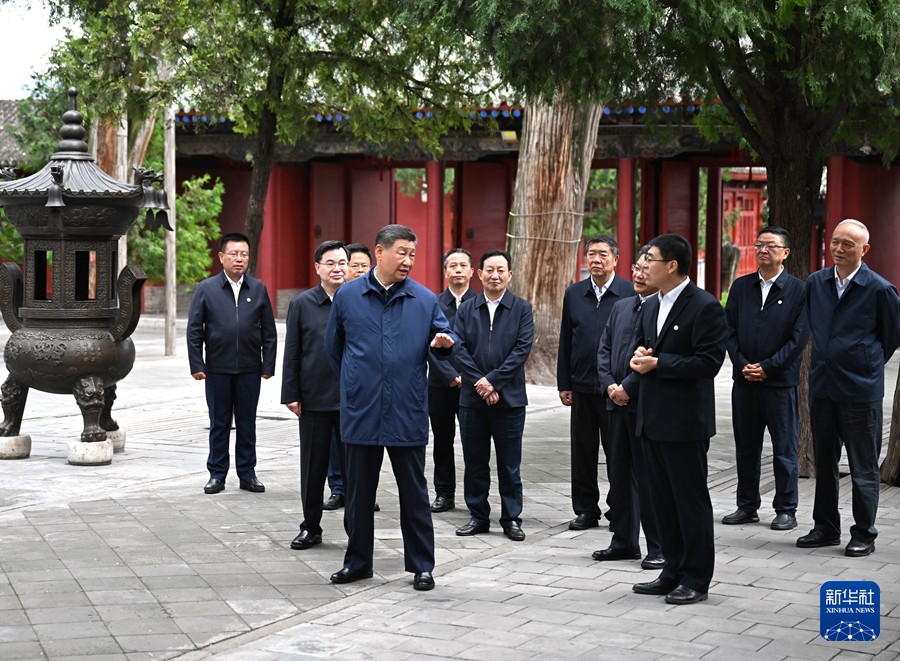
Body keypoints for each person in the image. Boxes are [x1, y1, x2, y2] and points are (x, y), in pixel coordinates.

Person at [325, 224, 455, 591]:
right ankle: (357, 563)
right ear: (379, 252)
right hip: (361, 409)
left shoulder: (424, 299)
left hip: (406, 409)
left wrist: (445, 343)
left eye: (413, 254)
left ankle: (422, 566)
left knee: (414, 493)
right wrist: (356, 381)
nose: (408, 261)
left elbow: (446, 337)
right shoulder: (348, 296)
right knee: (358, 495)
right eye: (402, 253)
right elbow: (334, 348)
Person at [629, 233, 726, 605]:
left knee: (690, 502)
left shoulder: (704, 306)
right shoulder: (652, 304)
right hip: (651, 418)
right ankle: (672, 569)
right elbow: (647, 348)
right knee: (661, 501)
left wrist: (659, 363)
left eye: (649, 259)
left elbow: (708, 363)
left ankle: (696, 578)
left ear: (671, 265)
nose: (643, 266)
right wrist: (642, 357)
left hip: (685, 423)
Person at [798, 219, 900, 557]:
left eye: (848, 244)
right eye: (835, 242)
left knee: (862, 466)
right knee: (825, 462)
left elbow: (891, 336)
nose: (839, 249)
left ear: (864, 249)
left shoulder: (880, 289)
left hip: (860, 390)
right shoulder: (817, 282)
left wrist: (864, 361)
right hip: (823, 386)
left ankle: (864, 533)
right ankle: (826, 527)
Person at [722, 227, 809, 531]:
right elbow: (728, 331)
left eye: (771, 245)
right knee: (746, 448)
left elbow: (798, 339)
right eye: (759, 244)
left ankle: (786, 508)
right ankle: (747, 506)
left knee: (784, 449)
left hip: (779, 384)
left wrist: (769, 367)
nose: (763, 250)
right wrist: (742, 364)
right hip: (744, 381)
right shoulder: (741, 286)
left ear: (786, 253)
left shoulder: (798, 290)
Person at [452, 249, 534, 541]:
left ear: (509, 275)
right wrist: (481, 383)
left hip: (510, 400)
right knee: (475, 462)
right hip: (472, 400)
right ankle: (478, 516)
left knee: (510, 464)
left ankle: (511, 518)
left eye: (501, 270)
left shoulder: (521, 308)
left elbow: (521, 349)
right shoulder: (466, 309)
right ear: (479, 274)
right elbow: (458, 348)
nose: (495, 275)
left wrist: (494, 382)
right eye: (489, 270)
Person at [187, 232, 277, 495]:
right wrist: (197, 364)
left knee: (247, 423)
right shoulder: (207, 288)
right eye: (234, 254)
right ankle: (217, 474)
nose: (239, 259)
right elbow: (194, 330)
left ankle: (247, 474)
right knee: (219, 423)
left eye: (244, 254)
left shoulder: (258, 289)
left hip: (250, 369)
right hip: (217, 369)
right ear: (221, 257)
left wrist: (268, 365)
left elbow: (269, 331)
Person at [557, 236, 635, 530]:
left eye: (603, 254)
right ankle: (586, 509)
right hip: (581, 386)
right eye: (591, 254)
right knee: (583, 452)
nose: (596, 259)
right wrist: (564, 382)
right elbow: (566, 339)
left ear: (616, 259)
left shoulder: (629, 292)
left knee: (618, 452)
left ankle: (620, 509)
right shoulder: (574, 293)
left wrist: (627, 385)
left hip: (615, 388)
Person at [594, 248, 664, 569]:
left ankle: (658, 547)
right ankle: (623, 541)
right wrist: (610, 386)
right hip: (615, 404)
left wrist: (627, 388)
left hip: (645, 406)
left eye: (646, 270)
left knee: (649, 479)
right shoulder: (621, 306)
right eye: (636, 268)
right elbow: (604, 349)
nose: (638, 274)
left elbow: (654, 355)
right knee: (618, 474)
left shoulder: (663, 309)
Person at [281, 240, 349, 550]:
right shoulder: (302, 303)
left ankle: (356, 529)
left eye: (342, 262)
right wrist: (291, 393)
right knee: (313, 468)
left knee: (354, 469)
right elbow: (293, 351)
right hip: (313, 398)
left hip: (352, 400)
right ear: (318, 267)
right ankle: (311, 527)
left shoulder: (357, 301)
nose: (337, 268)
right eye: (330, 263)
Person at [323, 242, 373, 511]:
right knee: (335, 439)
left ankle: (363, 491)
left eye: (365, 266)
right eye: (355, 265)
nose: (360, 270)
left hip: (363, 387)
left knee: (364, 442)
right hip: (333, 382)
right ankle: (338, 488)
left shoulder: (372, 301)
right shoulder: (339, 299)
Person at [428, 248, 477, 513]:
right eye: (453, 265)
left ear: (472, 271)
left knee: (474, 442)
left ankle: (475, 496)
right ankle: (444, 493)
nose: (458, 270)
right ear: (445, 271)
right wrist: (449, 376)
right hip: (440, 385)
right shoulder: (432, 304)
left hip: (473, 386)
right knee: (442, 440)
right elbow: (427, 344)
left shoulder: (480, 303)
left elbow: (481, 346)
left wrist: (467, 377)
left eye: (463, 265)